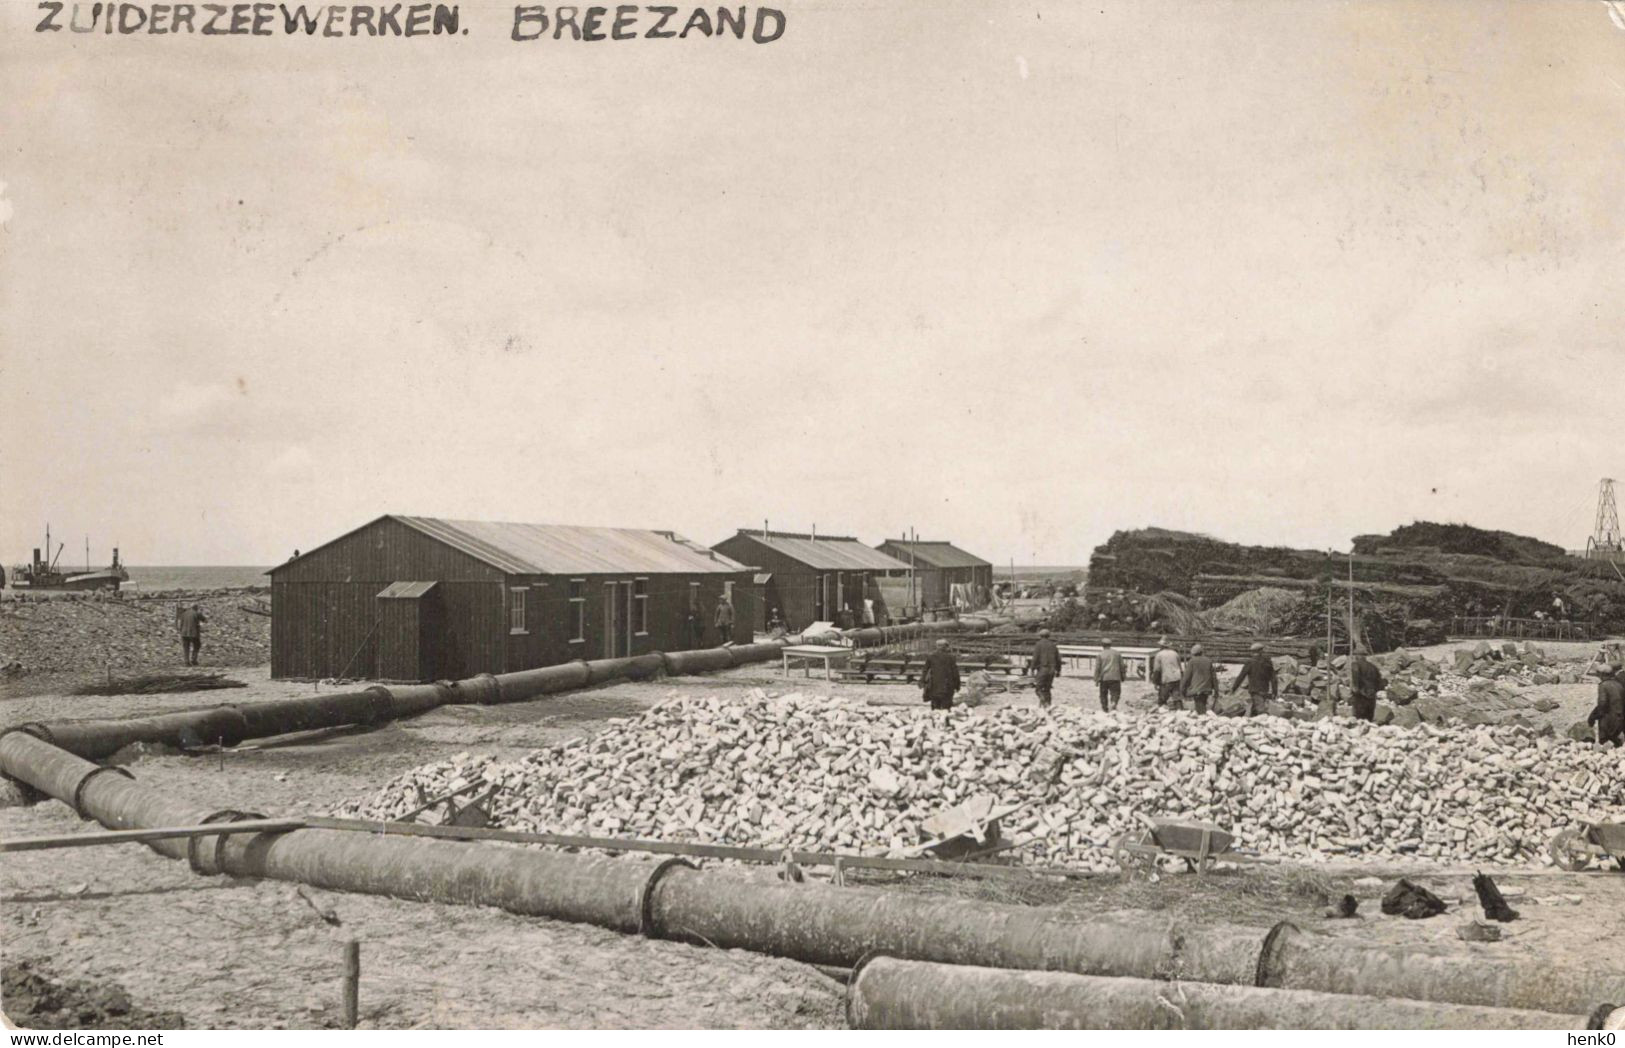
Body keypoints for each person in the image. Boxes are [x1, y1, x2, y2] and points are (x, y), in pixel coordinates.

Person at [1229, 642, 1277, 716]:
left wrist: (1234, 688)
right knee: (1255, 709)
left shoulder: (1250, 662)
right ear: (1261, 651)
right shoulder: (1268, 662)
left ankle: (1262, 723)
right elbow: (1274, 678)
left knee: (1261, 711)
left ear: (1253, 652)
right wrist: (1274, 691)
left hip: (1255, 690)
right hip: (1264, 689)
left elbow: (1241, 676)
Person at [1588, 663, 1625, 748]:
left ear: (1602, 674)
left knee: (1605, 743)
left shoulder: (1604, 686)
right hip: (1620, 718)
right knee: (1617, 743)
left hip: (1609, 719)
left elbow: (1602, 704)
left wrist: (1593, 716)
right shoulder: (1618, 685)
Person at [919, 639, 961, 711]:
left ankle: (935, 721)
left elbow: (925, 670)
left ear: (937, 646)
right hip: (947, 687)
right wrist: (957, 685)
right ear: (945, 647)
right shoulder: (951, 658)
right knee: (946, 708)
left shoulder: (931, 657)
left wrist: (922, 681)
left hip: (934, 686)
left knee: (935, 708)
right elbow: (955, 673)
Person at [1348, 647, 1386, 722]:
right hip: (1371, 697)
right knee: (1368, 720)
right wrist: (1373, 691)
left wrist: (1355, 690)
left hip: (1360, 696)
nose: (1355, 657)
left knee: (1359, 721)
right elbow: (1380, 682)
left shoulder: (1355, 664)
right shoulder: (1373, 667)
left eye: (1355, 655)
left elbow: (1356, 675)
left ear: (1358, 655)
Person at [1029, 628, 1062, 709]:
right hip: (1052, 670)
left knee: (1038, 689)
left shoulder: (1038, 644)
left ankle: (1043, 701)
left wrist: (1032, 669)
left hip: (1043, 669)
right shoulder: (1053, 645)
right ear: (1049, 636)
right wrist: (1058, 670)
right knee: (1047, 689)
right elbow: (1058, 659)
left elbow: (1035, 658)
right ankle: (1048, 706)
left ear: (1040, 636)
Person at [1181, 643, 1218, 714]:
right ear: (1201, 652)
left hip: (1197, 690)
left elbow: (1186, 677)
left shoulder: (1192, 661)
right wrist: (1216, 690)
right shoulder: (1208, 661)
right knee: (1203, 705)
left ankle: (1202, 719)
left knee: (1200, 709)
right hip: (1207, 689)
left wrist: (1182, 689)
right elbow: (1214, 677)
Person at [1149, 636, 1183, 709]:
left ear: (1161, 646)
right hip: (1177, 678)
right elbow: (1180, 668)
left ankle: (1162, 712)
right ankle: (1180, 711)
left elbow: (1157, 670)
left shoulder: (1159, 655)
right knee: (1177, 698)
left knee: (1162, 698)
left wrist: (1155, 682)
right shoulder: (1175, 653)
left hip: (1166, 679)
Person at [1095, 639, 1124, 712]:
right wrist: (1123, 676)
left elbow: (1097, 668)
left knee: (1103, 694)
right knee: (1115, 692)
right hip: (1115, 676)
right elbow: (1122, 666)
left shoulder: (1100, 654)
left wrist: (1096, 679)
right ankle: (1114, 702)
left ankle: (1105, 709)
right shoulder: (1117, 653)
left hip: (1104, 677)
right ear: (1110, 645)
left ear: (1102, 645)